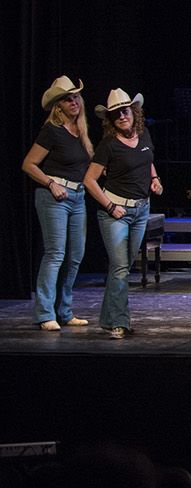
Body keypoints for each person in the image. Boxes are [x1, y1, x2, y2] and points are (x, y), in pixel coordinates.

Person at [83, 89, 162, 340]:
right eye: (116, 115)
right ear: (111, 119)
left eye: (125, 111)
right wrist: (109, 206)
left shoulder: (144, 134)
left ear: (133, 112)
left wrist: (155, 178)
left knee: (124, 267)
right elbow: (90, 180)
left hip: (141, 209)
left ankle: (109, 318)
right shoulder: (108, 144)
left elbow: (147, 159)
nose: (122, 117)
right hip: (115, 212)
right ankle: (119, 322)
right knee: (119, 268)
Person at [22, 76, 94, 331]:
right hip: (54, 197)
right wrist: (51, 184)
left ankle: (64, 310)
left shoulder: (81, 132)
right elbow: (29, 164)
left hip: (78, 197)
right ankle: (44, 313)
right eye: (66, 98)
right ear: (58, 106)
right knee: (55, 254)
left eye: (75, 97)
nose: (73, 101)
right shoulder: (51, 130)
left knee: (75, 257)